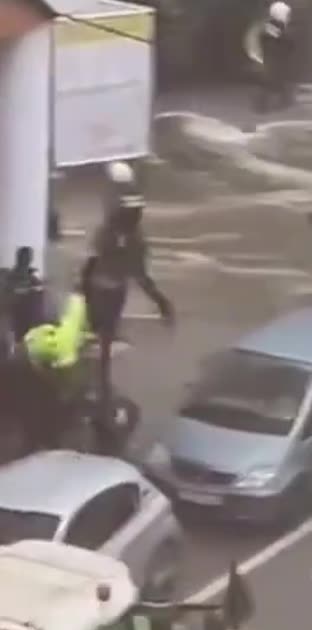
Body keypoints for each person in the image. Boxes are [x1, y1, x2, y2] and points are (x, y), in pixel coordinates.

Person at [83, 161, 175, 431]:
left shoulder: (111, 231)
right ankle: (101, 390)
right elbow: (140, 276)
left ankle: (98, 389)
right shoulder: (133, 239)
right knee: (104, 342)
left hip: (99, 289)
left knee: (97, 339)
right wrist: (160, 302)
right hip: (110, 292)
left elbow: (95, 259)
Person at [12, 292, 89, 453]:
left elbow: (30, 362)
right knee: (65, 393)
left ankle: (39, 441)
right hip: (63, 364)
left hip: (47, 366)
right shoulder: (68, 326)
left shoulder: (32, 339)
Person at [1, 246, 48, 349]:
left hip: (29, 317)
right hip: (16, 316)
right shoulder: (11, 276)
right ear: (19, 258)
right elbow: (9, 293)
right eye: (25, 257)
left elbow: (40, 289)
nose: (28, 260)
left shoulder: (32, 275)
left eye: (29, 257)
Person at [256, 1, 298, 113]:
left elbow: (287, 42)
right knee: (270, 81)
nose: (288, 17)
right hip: (274, 59)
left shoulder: (273, 27)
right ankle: (263, 106)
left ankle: (282, 102)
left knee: (276, 81)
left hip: (276, 59)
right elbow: (285, 40)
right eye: (287, 15)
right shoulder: (272, 27)